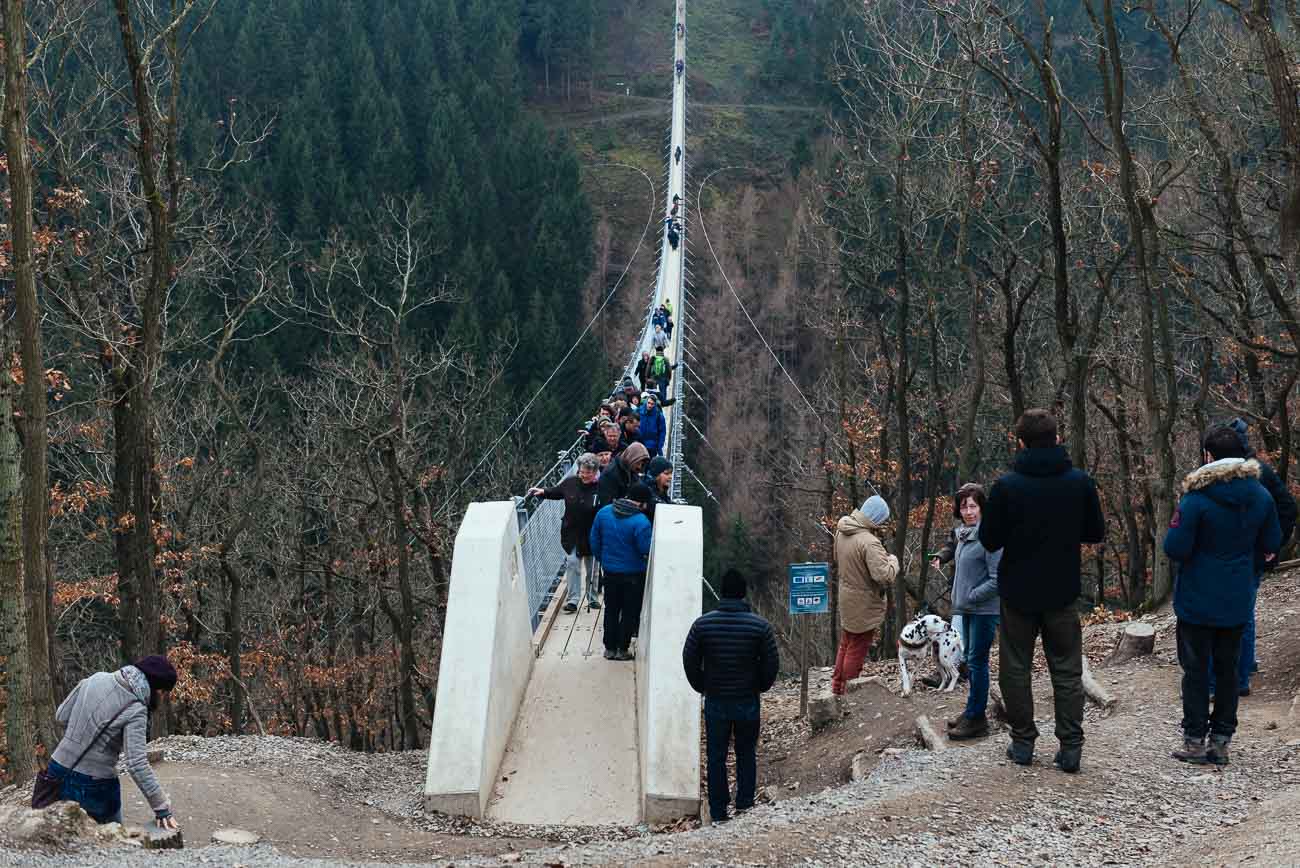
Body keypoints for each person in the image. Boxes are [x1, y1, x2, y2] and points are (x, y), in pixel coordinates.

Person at [979, 409, 1104, 774]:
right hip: (1062, 589)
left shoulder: (1006, 487)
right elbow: (1094, 533)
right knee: (1066, 669)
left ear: (1021, 442)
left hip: (1018, 592)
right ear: (1057, 439)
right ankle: (1070, 748)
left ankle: (1022, 742)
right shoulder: (1080, 482)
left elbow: (989, 540)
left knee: (1015, 667)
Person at [1165, 425, 1281, 765]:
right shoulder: (1261, 495)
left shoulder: (1196, 498)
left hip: (1197, 598)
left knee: (1197, 671)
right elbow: (1272, 543)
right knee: (1229, 670)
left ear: (1207, 456)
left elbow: (1176, 547)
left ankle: (1194, 739)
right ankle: (1221, 741)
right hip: (1237, 595)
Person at [1209, 418, 1299, 697]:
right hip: (1249, 553)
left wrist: (1272, 546)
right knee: (1243, 612)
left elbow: (1287, 506)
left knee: (1235, 614)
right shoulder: (1257, 471)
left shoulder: (1254, 472)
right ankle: (1243, 667)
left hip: (1241, 555)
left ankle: (1237, 675)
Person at [682, 569, 779, 824]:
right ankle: (745, 804)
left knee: (716, 756)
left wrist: (702, 685)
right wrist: (760, 685)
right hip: (747, 700)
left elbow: (689, 659)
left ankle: (718, 811)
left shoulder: (702, 625)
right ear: (743, 593)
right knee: (746, 753)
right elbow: (771, 664)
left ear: (722, 592)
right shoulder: (760, 627)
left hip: (716, 701)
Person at [47, 656, 180, 828]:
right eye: (162, 692)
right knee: (112, 844)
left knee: (58, 841)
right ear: (154, 687)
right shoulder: (136, 709)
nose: (161, 698)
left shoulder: (95, 678)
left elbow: (61, 716)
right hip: (94, 785)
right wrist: (161, 807)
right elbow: (136, 763)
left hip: (56, 769)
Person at [936, 483, 1002, 740]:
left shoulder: (989, 537)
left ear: (982, 507)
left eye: (973, 506)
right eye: (964, 506)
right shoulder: (964, 535)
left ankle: (977, 718)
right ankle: (972, 711)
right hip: (969, 609)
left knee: (977, 662)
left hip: (984, 610)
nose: (969, 511)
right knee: (972, 662)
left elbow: (997, 579)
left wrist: (971, 597)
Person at [831, 495, 898, 701]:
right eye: (882, 519)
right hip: (863, 602)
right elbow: (883, 575)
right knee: (857, 648)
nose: (882, 524)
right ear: (876, 517)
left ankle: (837, 687)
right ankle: (849, 693)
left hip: (846, 595)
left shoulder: (842, 530)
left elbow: (836, 559)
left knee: (846, 643)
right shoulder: (869, 542)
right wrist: (893, 561)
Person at [529, 453, 603, 614]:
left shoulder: (601, 487)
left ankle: (592, 598)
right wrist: (543, 491)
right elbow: (557, 492)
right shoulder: (571, 483)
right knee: (572, 563)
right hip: (572, 533)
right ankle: (573, 600)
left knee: (592, 568)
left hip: (592, 534)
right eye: (582, 471)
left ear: (595, 471)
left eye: (588, 472)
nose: (584, 475)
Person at [590, 482, 654, 660]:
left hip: (610, 571)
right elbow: (644, 548)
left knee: (611, 609)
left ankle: (609, 648)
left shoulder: (603, 513)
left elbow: (594, 541)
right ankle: (622, 649)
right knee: (629, 611)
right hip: (633, 574)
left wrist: (604, 559)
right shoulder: (641, 521)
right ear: (641, 503)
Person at [597, 441, 650, 507]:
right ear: (631, 458)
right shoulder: (610, 474)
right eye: (637, 463)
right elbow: (607, 502)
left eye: (641, 464)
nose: (639, 467)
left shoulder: (630, 468)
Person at [642, 455, 673, 519]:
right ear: (656, 475)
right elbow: (663, 509)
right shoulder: (648, 493)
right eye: (666, 473)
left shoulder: (661, 488)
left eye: (671, 473)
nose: (670, 477)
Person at [639, 392, 667, 456]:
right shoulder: (639, 411)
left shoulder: (659, 415)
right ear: (646, 402)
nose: (649, 405)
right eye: (648, 403)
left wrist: (659, 446)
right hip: (640, 443)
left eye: (652, 404)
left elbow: (662, 431)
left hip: (652, 446)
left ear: (655, 405)